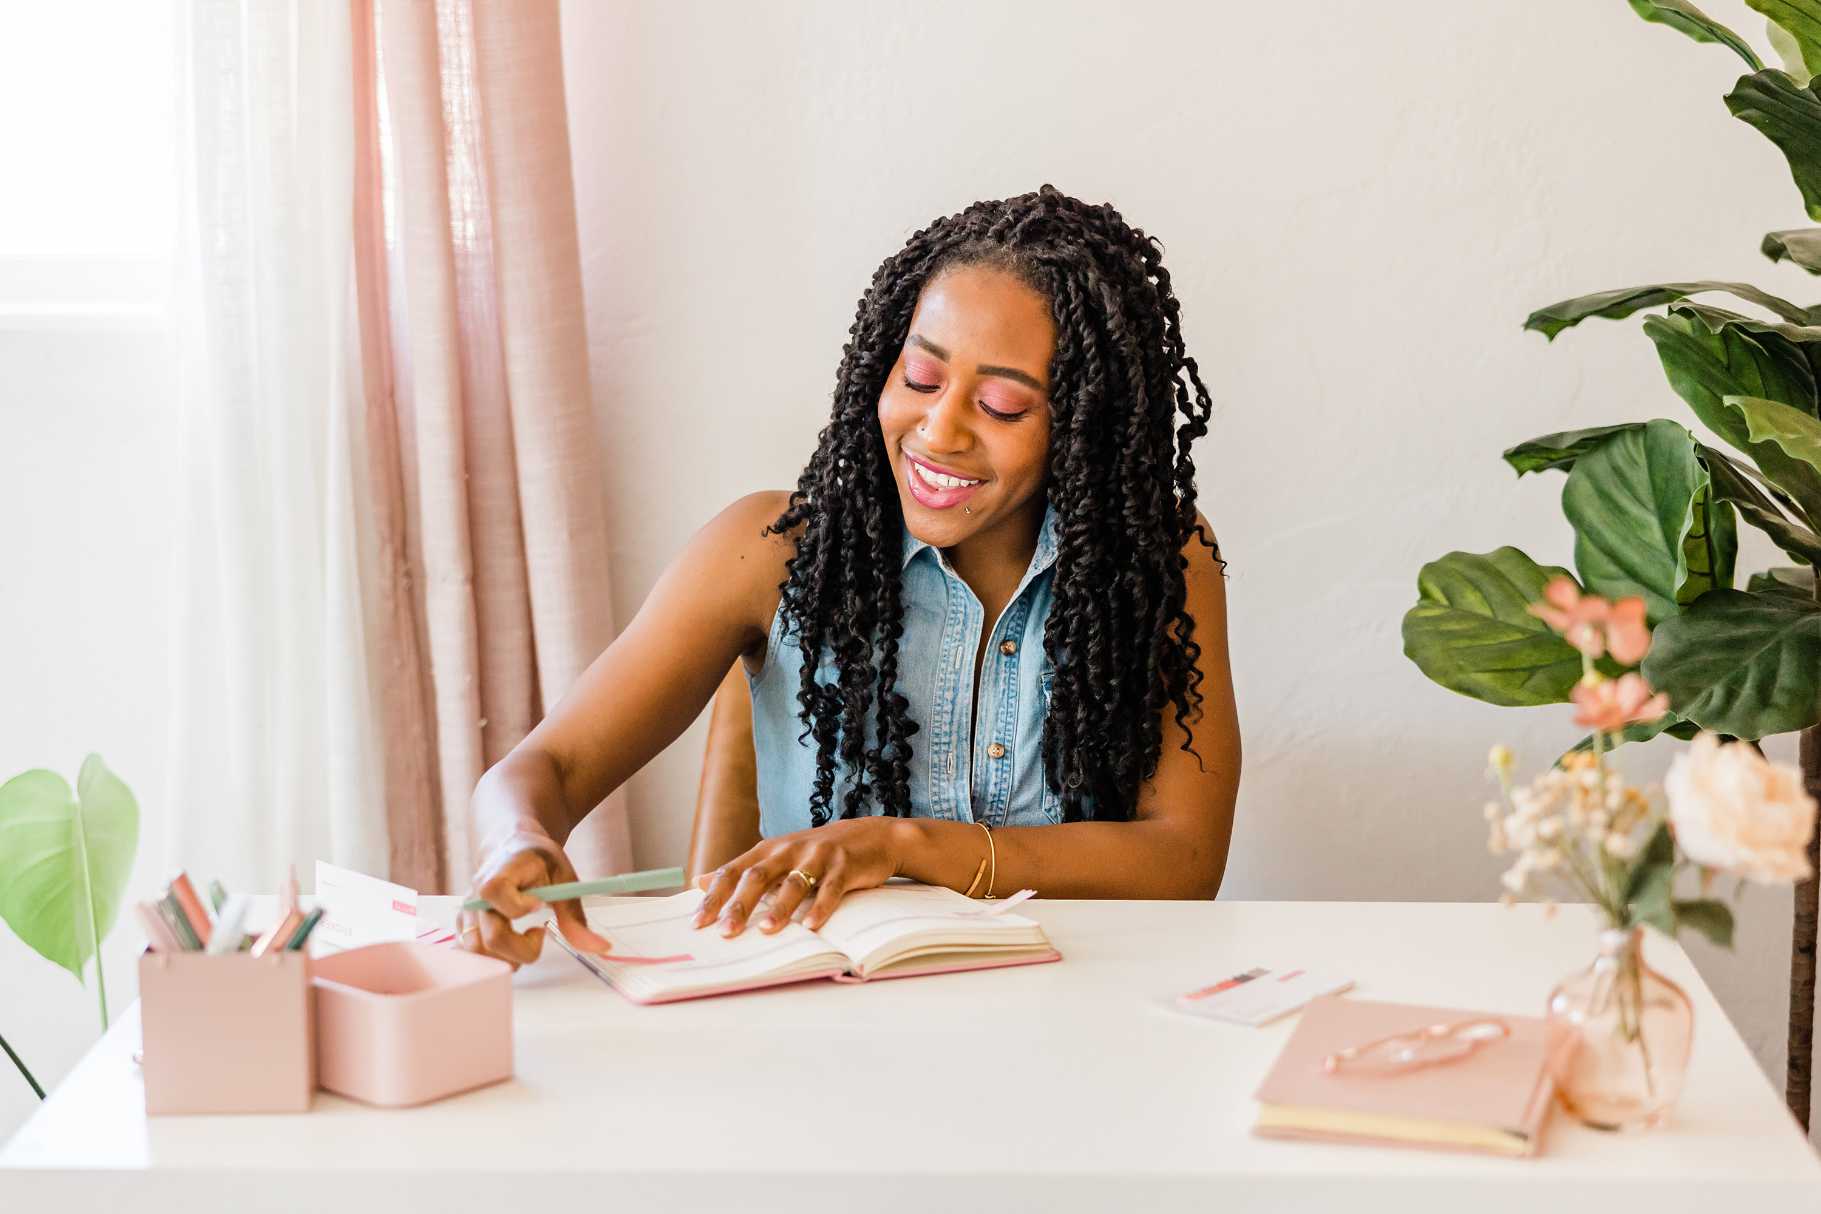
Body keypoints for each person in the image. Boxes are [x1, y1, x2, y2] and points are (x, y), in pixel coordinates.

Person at [459, 185, 1240, 966]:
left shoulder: (1156, 563)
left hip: (1072, 1014)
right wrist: (515, 839)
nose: (939, 430)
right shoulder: (764, 552)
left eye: (1002, 405)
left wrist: (899, 845)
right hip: (819, 1022)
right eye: (920, 379)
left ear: (1083, 427)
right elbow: (548, 767)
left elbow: (1183, 860)